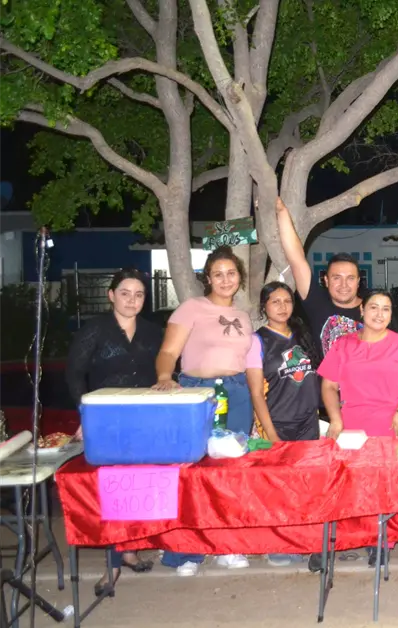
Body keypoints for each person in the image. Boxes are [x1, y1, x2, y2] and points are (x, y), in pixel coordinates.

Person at [153, 246, 260, 575]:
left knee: (231, 474)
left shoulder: (244, 317)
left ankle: (228, 545)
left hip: (237, 394)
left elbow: (247, 364)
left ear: (239, 278)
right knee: (193, 473)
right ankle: (188, 551)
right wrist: (163, 377)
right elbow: (168, 351)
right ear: (208, 278)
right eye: (218, 274)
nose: (225, 279)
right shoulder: (192, 308)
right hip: (197, 394)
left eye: (231, 273)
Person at [65, 269, 160, 591]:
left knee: (139, 490)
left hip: (144, 420)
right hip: (107, 422)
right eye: (125, 293)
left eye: (139, 294)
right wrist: (85, 415)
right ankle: (113, 564)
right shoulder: (95, 330)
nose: (132, 300)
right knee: (113, 492)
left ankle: (130, 551)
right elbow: (75, 375)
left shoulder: (152, 332)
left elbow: (163, 371)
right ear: (111, 295)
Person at [246, 282, 323, 568]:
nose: (282, 306)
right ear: (264, 306)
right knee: (277, 488)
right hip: (277, 422)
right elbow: (256, 392)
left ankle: (303, 540)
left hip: (308, 424)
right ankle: (278, 543)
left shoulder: (303, 335)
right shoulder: (258, 341)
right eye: (274, 301)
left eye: (287, 300)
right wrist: (271, 433)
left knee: (306, 487)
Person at [318, 291, 398, 441]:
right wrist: (336, 419)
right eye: (374, 307)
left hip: (397, 424)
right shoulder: (342, 344)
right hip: (354, 427)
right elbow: (329, 386)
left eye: (386, 309)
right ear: (362, 310)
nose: (380, 314)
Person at [275, 197, 362, 355]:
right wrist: (281, 210)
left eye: (350, 278)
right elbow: (296, 259)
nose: (344, 285)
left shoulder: (375, 309)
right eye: (337, 278)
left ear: (358, 281)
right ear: (326, 280)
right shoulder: (318, 304)